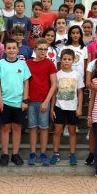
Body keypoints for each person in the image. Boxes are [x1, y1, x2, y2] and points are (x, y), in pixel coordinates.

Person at [0, 39, 31, 166]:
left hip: (19, 102)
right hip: (4, 102)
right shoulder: (0, 64)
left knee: (17, 128)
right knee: (5, 128)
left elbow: (26, 82)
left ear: (17, 50)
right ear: (5, 50)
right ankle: (5, 154)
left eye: (14, 48)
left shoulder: (23, 65)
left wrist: (25, 100)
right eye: (9, 48)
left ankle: (15, 154)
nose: (12, 50)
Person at [26, 38, 57, 166]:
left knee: (44, 128)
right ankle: (32, 152)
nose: (43, 51)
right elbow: (25, 81)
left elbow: (54, 84)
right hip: (31, 101)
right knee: (32, 127)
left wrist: (46, 102)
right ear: (35, 50)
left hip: (44, 100)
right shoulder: (27, 63)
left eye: (45, 49)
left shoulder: (50, 64)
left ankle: (43, 153)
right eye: (41, 49)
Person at [50, 49, 84, 165]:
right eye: (64, 59)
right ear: (61, 60)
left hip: (72, 107)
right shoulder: (57, 75)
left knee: (72, 131)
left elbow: (80, 92)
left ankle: (72, 154)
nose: (66, 62)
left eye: (69, 59)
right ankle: (55, 154)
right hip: (59, 106)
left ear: (73, 60)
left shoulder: (77, 75)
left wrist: (79, 107)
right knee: (57, 131)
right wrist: (52, 109)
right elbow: (54, 93)